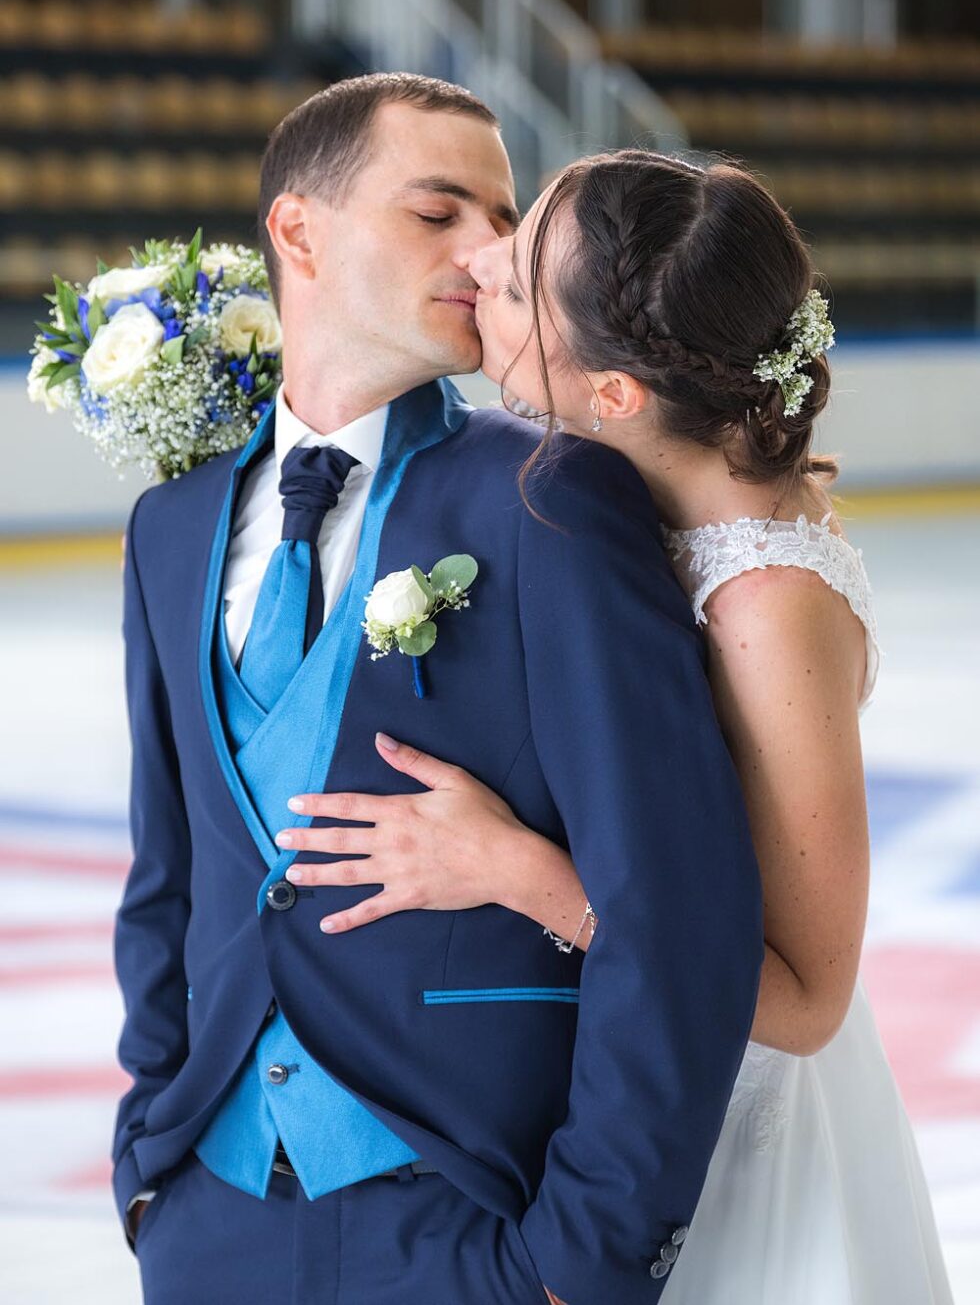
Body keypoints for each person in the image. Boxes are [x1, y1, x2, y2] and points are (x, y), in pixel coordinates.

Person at [112, 79, 763, 1305]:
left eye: (502, 216)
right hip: (208, 1217)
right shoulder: (170, 527)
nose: (486, 251)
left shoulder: (550, 499)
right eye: (436, 211)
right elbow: (168, 880)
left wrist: (581, 1259)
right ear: (297, 232)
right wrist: (150, 1165)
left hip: (471, 1220)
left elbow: (678, 910)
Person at [277, 149, 954, 1304]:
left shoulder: (764, 606)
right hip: (600, 1090)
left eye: (516, 276)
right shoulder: (621, 510)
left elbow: (802, 1003)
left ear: (614, 395)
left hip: (724, 1138)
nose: (477, 260)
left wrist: (516, 871)